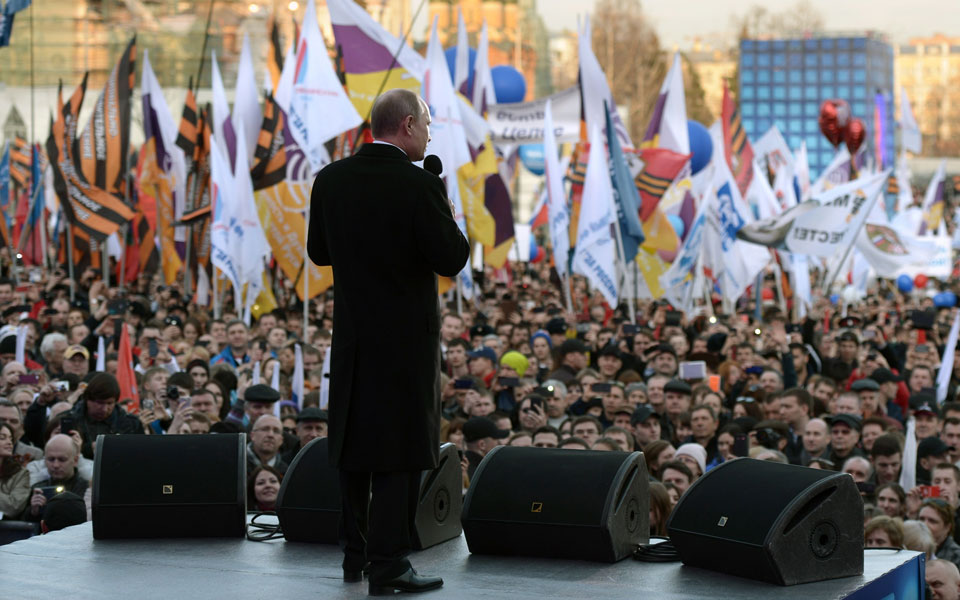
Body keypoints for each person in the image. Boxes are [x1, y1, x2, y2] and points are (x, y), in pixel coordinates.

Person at [309, 89, 470, 594]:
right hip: (405, 342)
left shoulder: (330, 179)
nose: (429, 133)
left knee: (354, 445)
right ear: (405, 125)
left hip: (354, 337)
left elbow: (318, 252)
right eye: (426, 123)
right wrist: (439, 199)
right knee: (399, 449)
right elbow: (452, 258)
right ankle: (390, 563)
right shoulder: (418, 185)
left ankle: (354, 555)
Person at [23, 434, 88, 522]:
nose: (55, 465)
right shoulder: (38, 488)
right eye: (51, 459)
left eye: (62, 459)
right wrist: (33, 512)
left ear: (75, 460)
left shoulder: (87, 489)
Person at [0, 421, 29, 518]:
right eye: (2, 438)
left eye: (11, 438)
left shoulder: (20, 473)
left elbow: (13, 507)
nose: (9, 442)